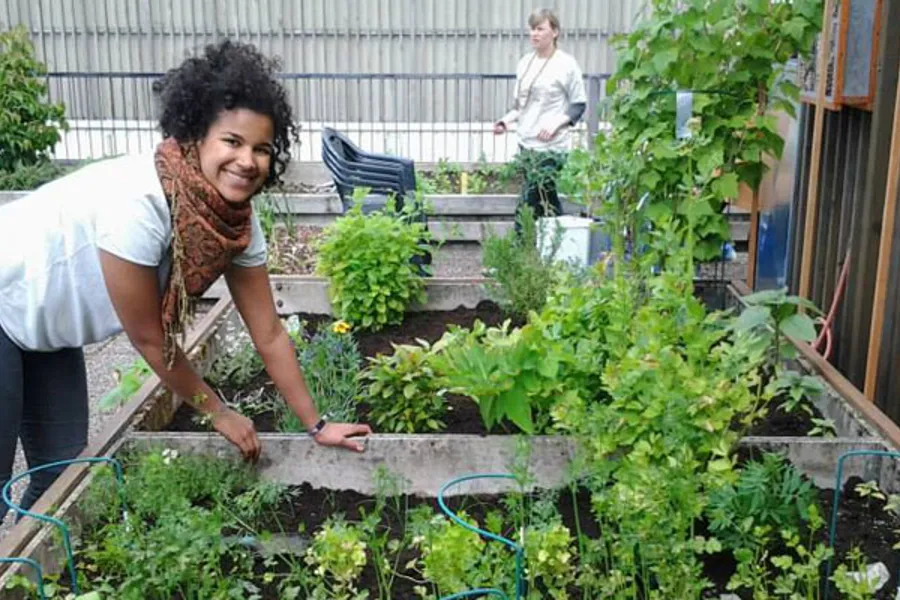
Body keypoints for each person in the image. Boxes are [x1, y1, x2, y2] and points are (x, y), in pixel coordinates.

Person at [0, 40, 372, 519]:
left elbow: (269, 332)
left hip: (42, 328)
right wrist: (217, 410)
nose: (247, 160)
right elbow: (149, 338)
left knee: (61, 473)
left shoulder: (235, 223)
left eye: (262, 149)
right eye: (232, 142)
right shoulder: (141, 204)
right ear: (195, 136)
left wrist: (317, 425)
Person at [494, 8, 587, 222]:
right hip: (527, 143)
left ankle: (519, 244)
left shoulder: (566, 64)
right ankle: (557, 242)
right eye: (532, 29)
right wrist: (504, 122)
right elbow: (521, 105)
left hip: (551, 147)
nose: (534, 34)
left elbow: (578, 104)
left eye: (540, 29)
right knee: (545, 199)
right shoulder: (525, 63)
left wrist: (556, 124)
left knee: (529, 197)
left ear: (554, 32)